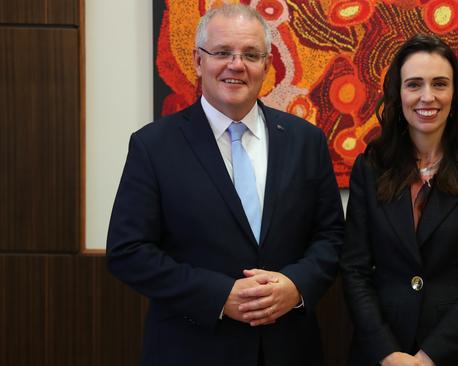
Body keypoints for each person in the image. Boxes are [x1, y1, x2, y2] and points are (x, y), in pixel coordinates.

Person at [106, 5, 344, 366]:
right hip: (191, 349)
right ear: (198, 61)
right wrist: (218, 295)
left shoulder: (306, 140)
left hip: (290, 348)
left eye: (250, 54)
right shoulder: (153, 146)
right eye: (222, 53)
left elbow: (332, 237)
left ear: (267, 65)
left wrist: (296, 286)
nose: (236, 65)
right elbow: (128, 251)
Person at [341, 34, 458, 366]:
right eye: (414, 84)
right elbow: (354, 270)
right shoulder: (370, 167)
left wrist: (427, 358)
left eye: (439, 84)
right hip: (382, 350)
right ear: (398, 93)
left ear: (454, 93)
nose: (427, 96)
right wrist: (387, 352)